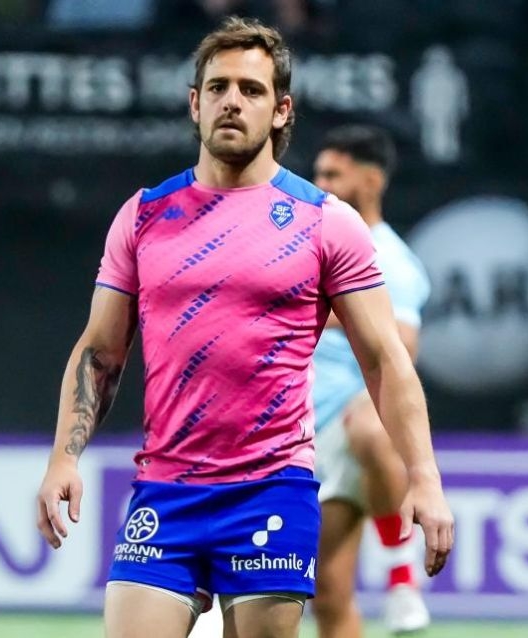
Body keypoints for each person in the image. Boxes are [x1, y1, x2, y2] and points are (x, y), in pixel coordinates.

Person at [36, 16, 453, 638]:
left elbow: (386, 360)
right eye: (219, 87)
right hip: (167, 488)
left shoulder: (326, 222)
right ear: (195, 103)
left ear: (282, 111)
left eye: (251, 89)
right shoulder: (145, 215)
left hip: (272, 489)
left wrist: (423, 476)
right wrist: (63, 458)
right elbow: (101, 351)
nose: (232, 100)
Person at [310, 126, 433, 636]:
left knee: (371, 424)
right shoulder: (308, 242)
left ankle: (402, 576)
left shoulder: (391, 259)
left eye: (333, 175)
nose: (321, 184)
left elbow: (402, 348)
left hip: (352, 421)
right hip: (304, 429)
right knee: (328, 595)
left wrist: (332, 312)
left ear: (371, 181)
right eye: (318, 174)